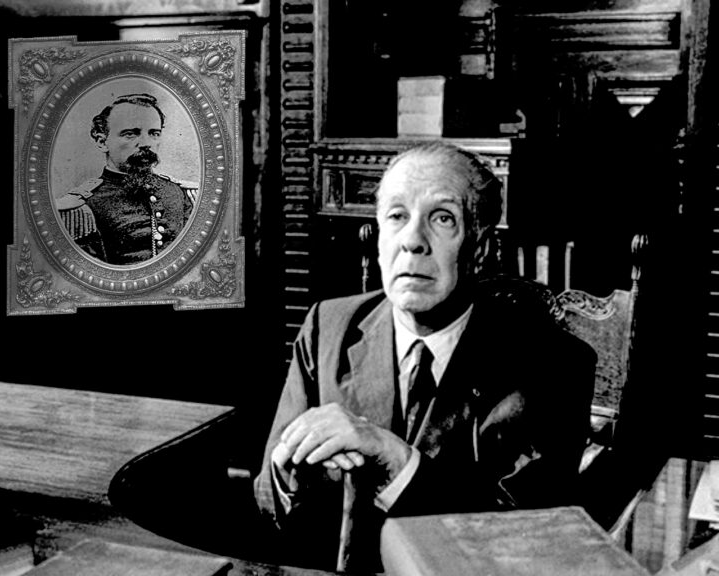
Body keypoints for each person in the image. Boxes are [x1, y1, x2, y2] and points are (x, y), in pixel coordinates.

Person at [253, 142, 597, 573]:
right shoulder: (328, 327)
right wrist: (286, 473)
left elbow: (514, 548)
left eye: (442, 218)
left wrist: (396, 461)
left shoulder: (553, 365)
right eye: (397, 216)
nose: (413, 241)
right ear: (379, 240)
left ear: (480, 248)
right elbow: (267, 502)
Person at [57, 93, 196, 265]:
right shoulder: (82, 208)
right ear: (102, 142)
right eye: (130, 134)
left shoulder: (179, 193)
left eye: (154, 133)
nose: (146, 143)